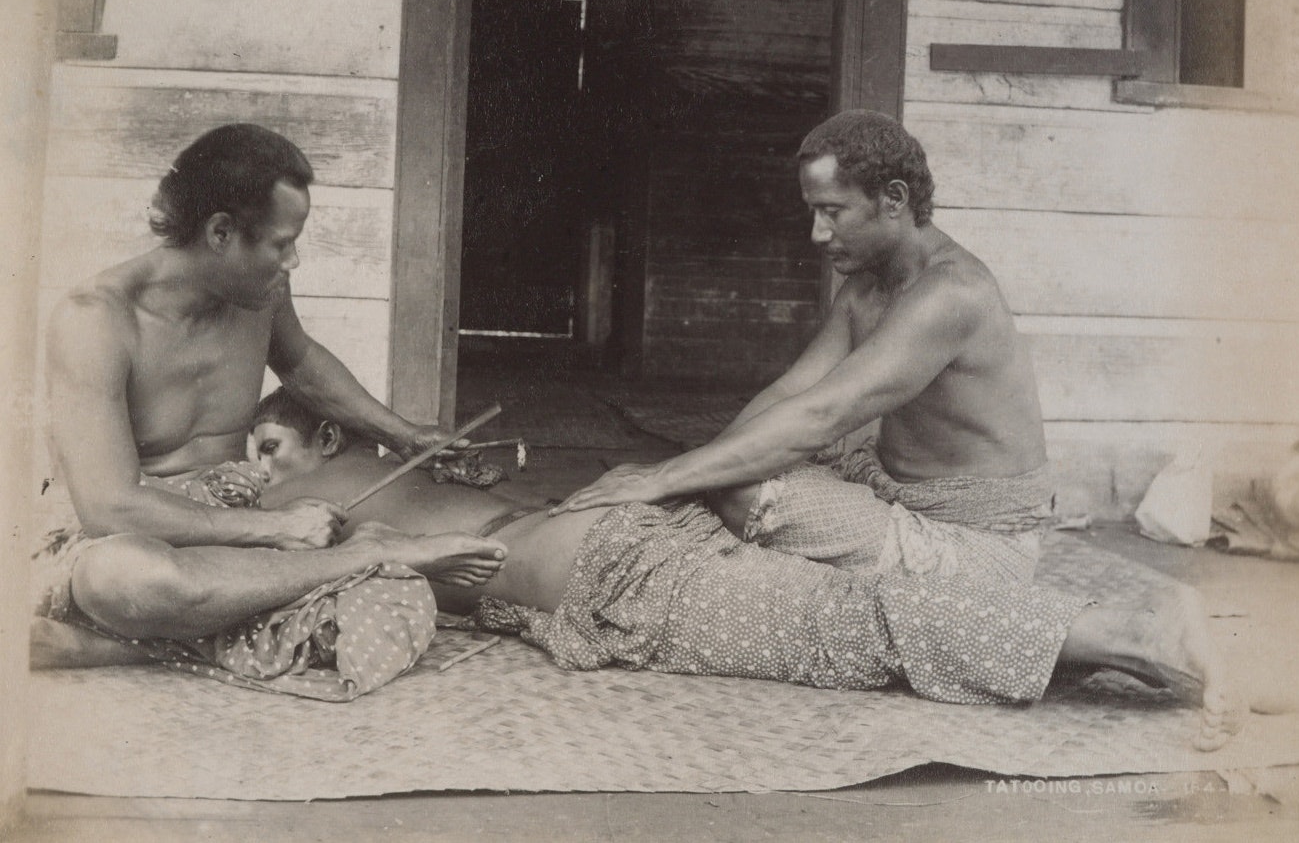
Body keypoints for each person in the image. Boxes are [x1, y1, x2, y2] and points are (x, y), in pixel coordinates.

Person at [249, 392, 1248, 752]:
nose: (250, 470)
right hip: (613, 546)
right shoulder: (345, 483)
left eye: (264, 447)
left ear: (321, 436)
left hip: (616, 562)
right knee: (845, 609)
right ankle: (1093, 638)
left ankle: (1130, 638)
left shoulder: (319, 495)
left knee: (847, 623)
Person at [31, 124, 508, 671]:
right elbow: (109, 508)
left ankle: (120, 645)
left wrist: (403, 435)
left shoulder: (259, 292)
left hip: (234, 543)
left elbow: (301, 364)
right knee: (123, 579)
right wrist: (276, 528)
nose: (293, 262)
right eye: (282, 244)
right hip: (140, 535)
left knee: (390, 610)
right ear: (220, 233)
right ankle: (368, 556)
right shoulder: (94, 321)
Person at [551, 110, 1055, 585]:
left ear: (895, 198)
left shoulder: (951, 293)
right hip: (893, 491)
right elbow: (792, 390)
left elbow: (824, 414)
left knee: (741, 486)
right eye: (814, 212)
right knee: (728, 470)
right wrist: (690, 472)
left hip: (979, 542)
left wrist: (666, 478)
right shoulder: (865, 288)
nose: (817, 233)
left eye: (832, 211)